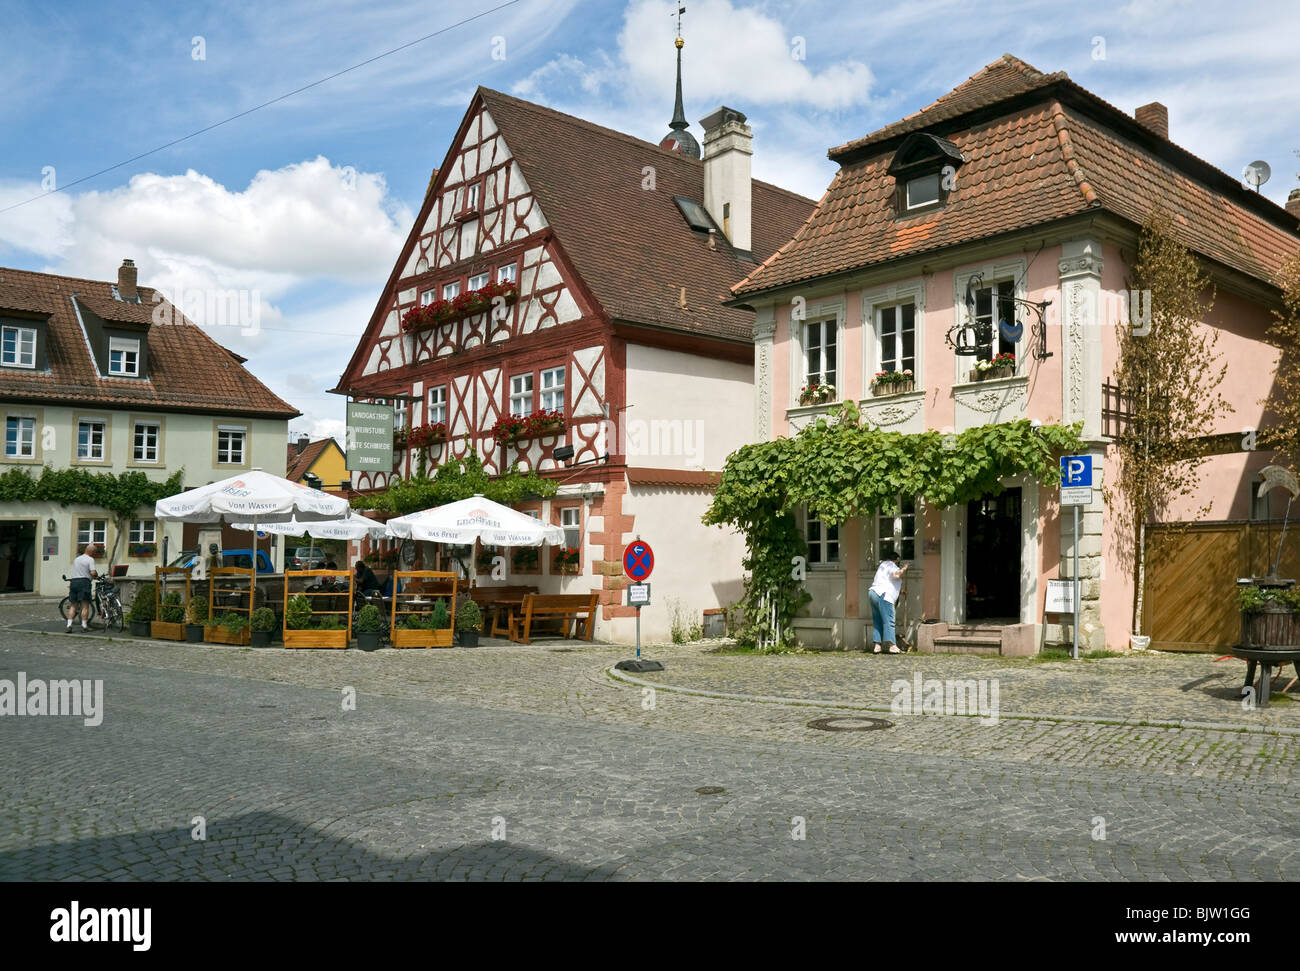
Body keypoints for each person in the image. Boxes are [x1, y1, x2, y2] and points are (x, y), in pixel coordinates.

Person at [868, 555, 909, 654]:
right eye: (898, 562)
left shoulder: (882, 566)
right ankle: (892, 646)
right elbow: (896, 575)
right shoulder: (891, 565)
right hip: (884, 596)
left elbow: (887, 583)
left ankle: (877, 646)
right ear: (896, 560)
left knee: (878, 621)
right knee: (889, 620)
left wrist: (900, 592)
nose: (898, 564)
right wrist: (904, 568)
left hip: (873, 593)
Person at [67, 543, 98, 632]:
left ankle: (69, 625)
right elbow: (92, 573)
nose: (95, 554)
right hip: (84, 582)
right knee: (85, 605)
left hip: (74, 582)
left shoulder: (77, 559)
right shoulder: (90, 559)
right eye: (95, 552)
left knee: (73, 605)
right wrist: (96, 574)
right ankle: (84, 626)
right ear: (91, 552)